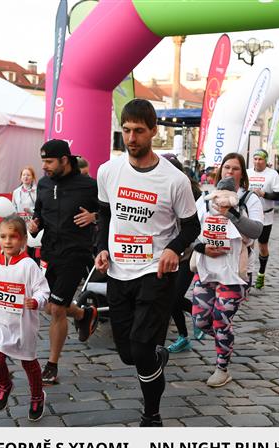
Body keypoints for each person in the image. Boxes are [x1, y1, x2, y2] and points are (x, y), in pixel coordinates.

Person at [94, 99, 199, 427]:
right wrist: (101, 248)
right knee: (128, 354)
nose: (131, 138)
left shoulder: (175, 180)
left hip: (156, 271)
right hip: (118, 271)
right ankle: (158, 355)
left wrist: (173, 249)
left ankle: (151, 415)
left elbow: (192, 227)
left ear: (154, 131)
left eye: (139, 131)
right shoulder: (108, 171)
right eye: (126, 130)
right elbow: (104, 214)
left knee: (140, 350)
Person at [29, 140, 99, 385]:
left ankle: (51, 365)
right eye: (43, 161)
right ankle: (83, 314)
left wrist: (94, 216)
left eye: (49, 162)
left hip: (76, 253)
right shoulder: (44, 184)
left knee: (57, 309)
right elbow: (39, 212)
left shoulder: (89, 185)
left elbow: (111, 211)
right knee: (49, 306)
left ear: (64, 160)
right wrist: (35, 224)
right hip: (49, 252)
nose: (44, 166)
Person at [192, 153, 263, 386]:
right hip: (206, 269)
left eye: (235, 168)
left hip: (235, 273)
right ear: (220, 170)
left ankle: (222, 368)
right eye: (226, 167)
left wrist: (231, 214)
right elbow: (188, 230)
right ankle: (225, 340)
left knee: (221, 320)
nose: (230, 172)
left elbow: (256, 231)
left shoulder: (249, 199)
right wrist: (202, 247)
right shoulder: (205, 199)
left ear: (242, 174)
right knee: (201, 321)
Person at [0, 216, 50, 420]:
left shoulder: (29, 266)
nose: (8, 241)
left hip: (23, 323)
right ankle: (4, 384)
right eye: (3, 236)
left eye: (13, 237)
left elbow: (43, 290)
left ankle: (37, 396)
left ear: (23, 240)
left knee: (28, 362)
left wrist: (36, 301)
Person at [161, 153, 203, 353]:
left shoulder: (193, 194)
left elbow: (197, 226)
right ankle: (183, 336)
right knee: (169, 299)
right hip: (163, 256)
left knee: (174, 297)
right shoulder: (158, 189)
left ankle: (198, 313)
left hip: (186, 254)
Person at [247, 148, 279, 289]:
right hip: (248, 215)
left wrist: (264, 194)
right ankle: (247, 275)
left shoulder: (272, 174)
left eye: (260, 159)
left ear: (265, 161)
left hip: (265, 215)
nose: (257, 161)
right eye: (255, 159)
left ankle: (261, 273)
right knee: (248, 245)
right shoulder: (248, 173)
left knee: (262, 246)